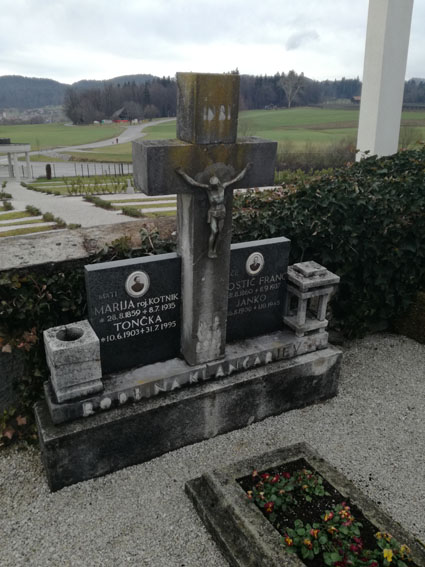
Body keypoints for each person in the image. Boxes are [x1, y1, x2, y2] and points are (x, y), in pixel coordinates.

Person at [176, 163, 251, 258]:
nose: (214, 187)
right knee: (214, 231)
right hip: (213, 213)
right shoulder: (208, 189)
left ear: (218, 183)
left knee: (220, 232)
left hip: (222, 212)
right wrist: (182, 173)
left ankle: (215, 249)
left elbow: (237, 179)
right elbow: (193, 183)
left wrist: (246, 169)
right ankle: (210, 250)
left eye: (216, 185)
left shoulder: (223, 187)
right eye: (213, 186)